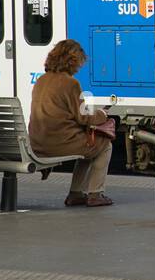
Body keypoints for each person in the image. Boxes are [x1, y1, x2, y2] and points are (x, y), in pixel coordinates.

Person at [28, 39, 115, 207]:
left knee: (88, 147)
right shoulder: (71, 83)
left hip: (38, 143)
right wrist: (102, 114)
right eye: (80, 62)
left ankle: (76, 193)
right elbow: (84, 117)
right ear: (72, 61)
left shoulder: (41, 80)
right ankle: (95, 193)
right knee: (104, 145)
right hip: (60, 143)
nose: (80, 66)